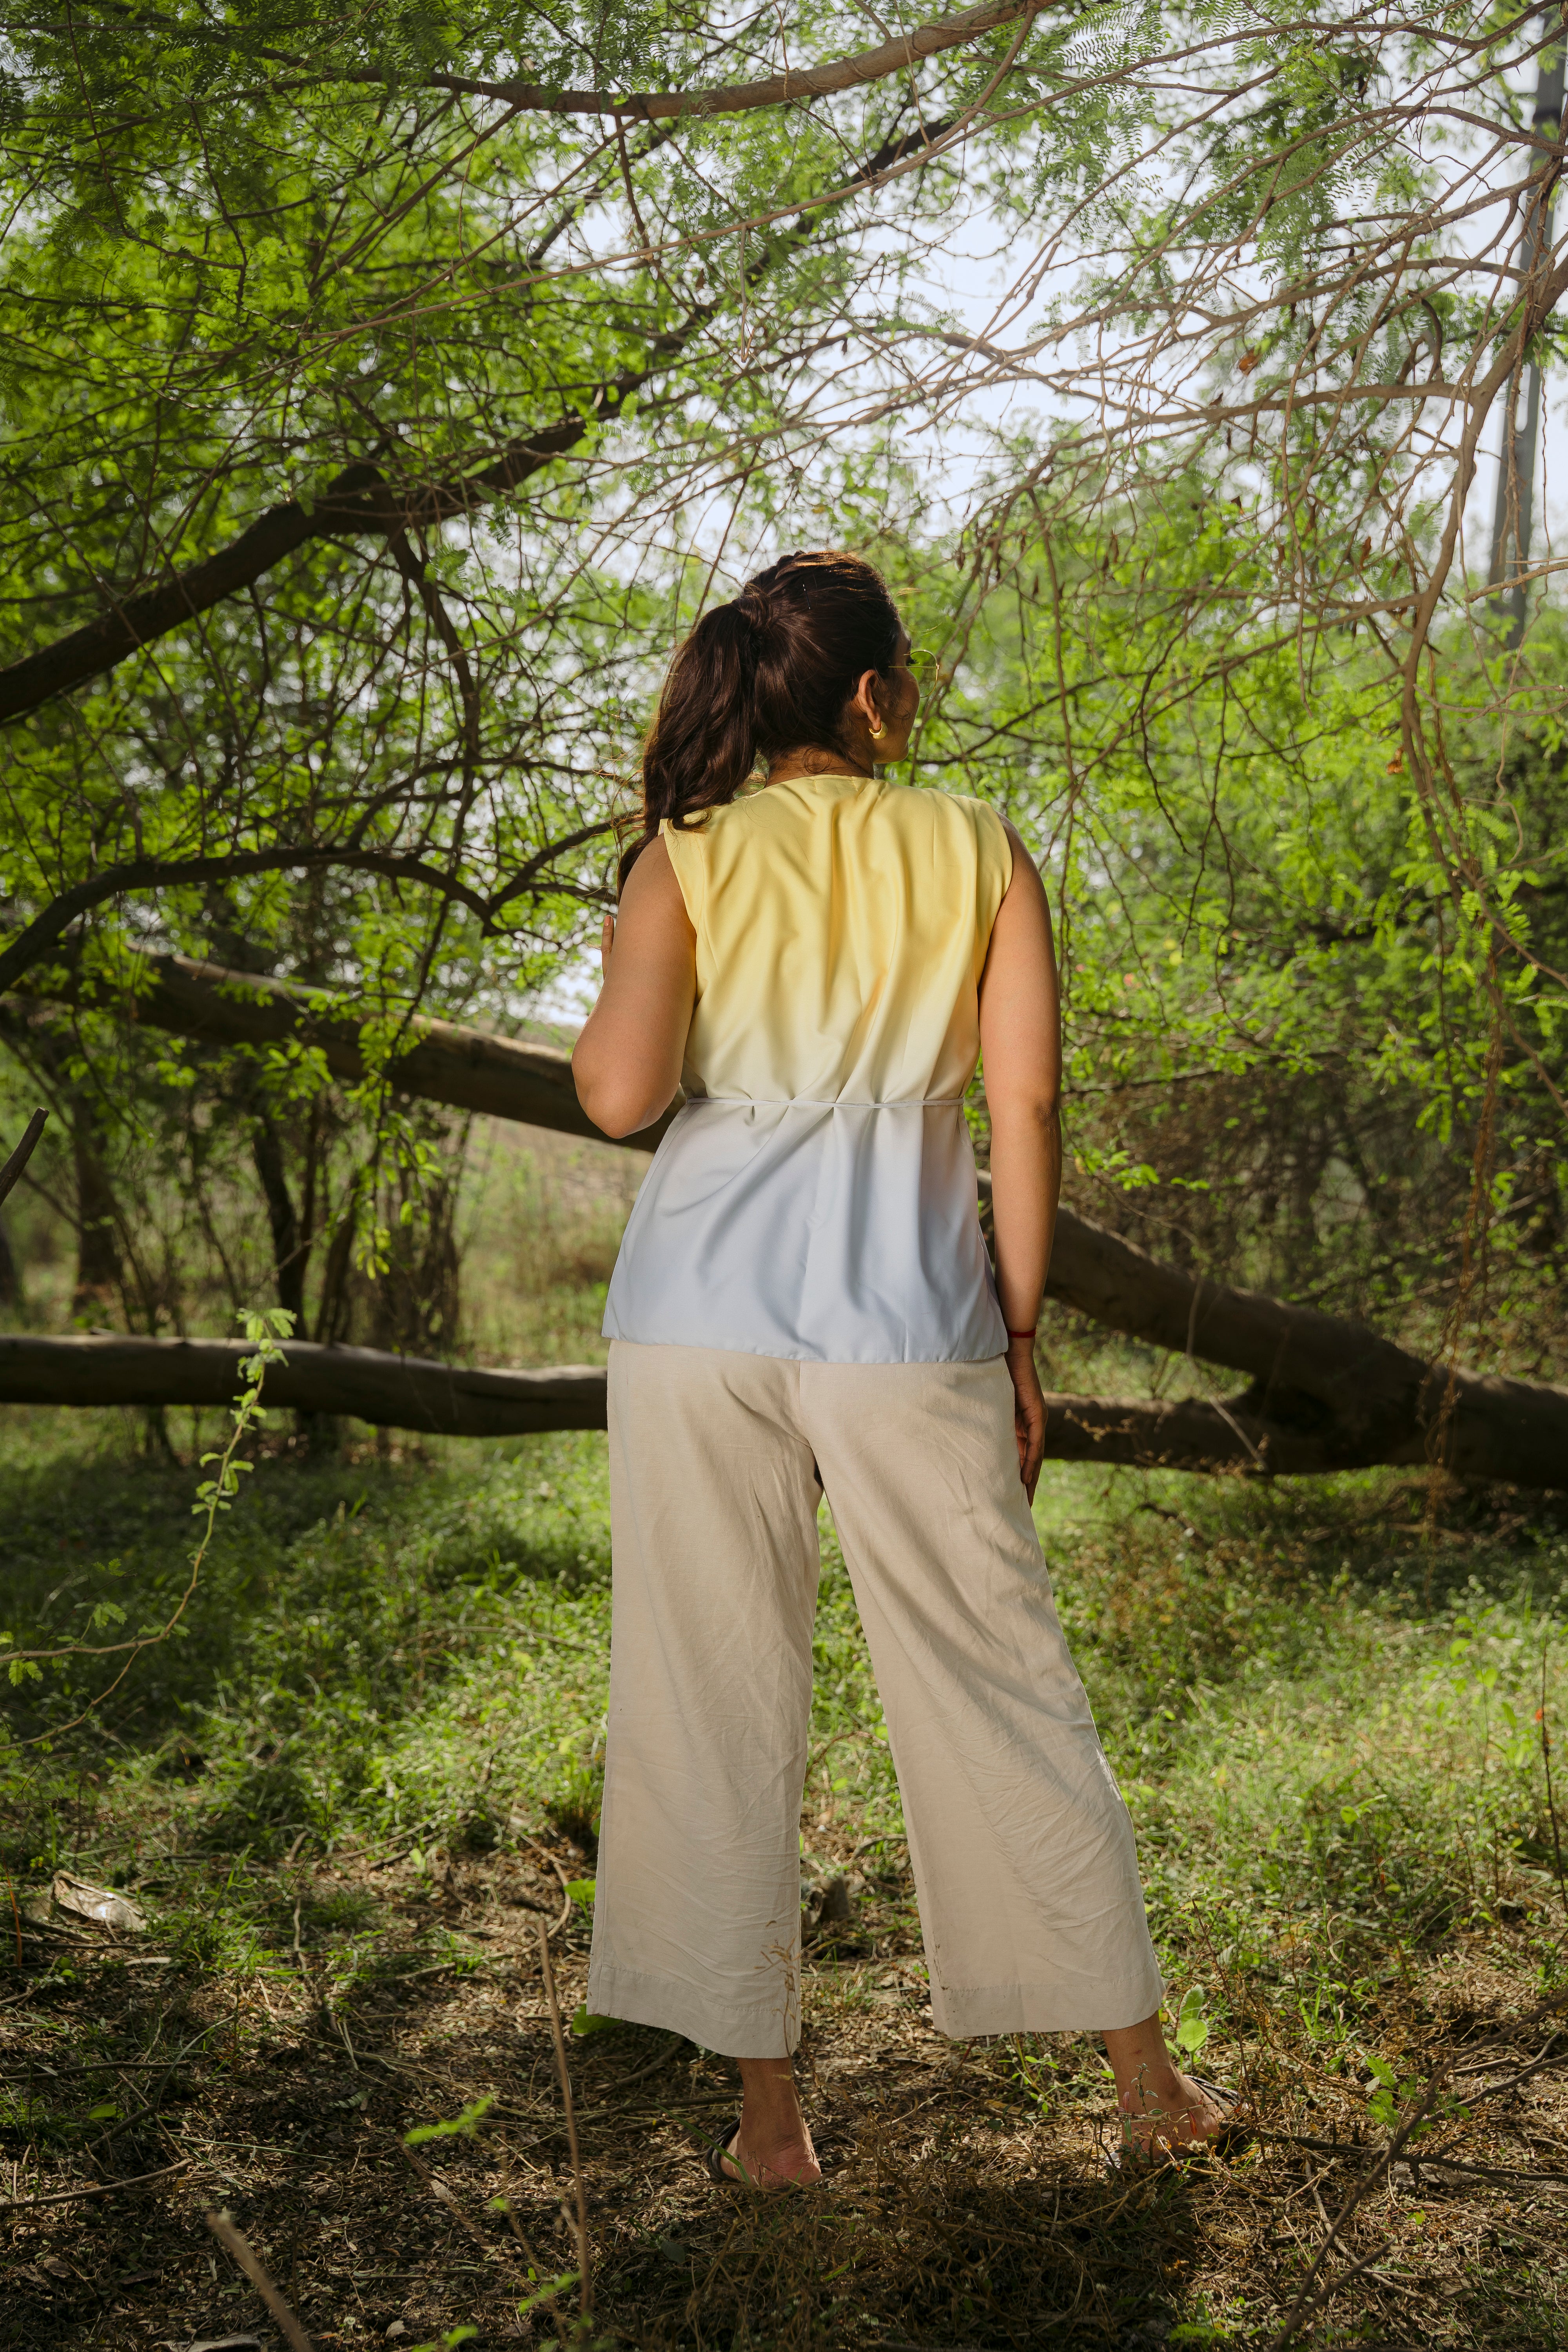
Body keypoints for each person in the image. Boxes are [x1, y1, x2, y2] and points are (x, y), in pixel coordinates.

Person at [571, 550, 1229, 2187]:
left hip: (690, 1313)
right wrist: (1015, 1333)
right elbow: (1022, 1114)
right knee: (1000, 1676)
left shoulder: (688, 855)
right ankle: (1148, 2088)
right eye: (910, 672)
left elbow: (616, 1099)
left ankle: (768, 2130)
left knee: (708, 1689)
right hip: (901, 1317)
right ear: (872, 701)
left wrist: (631, 951)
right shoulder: (978, 846)